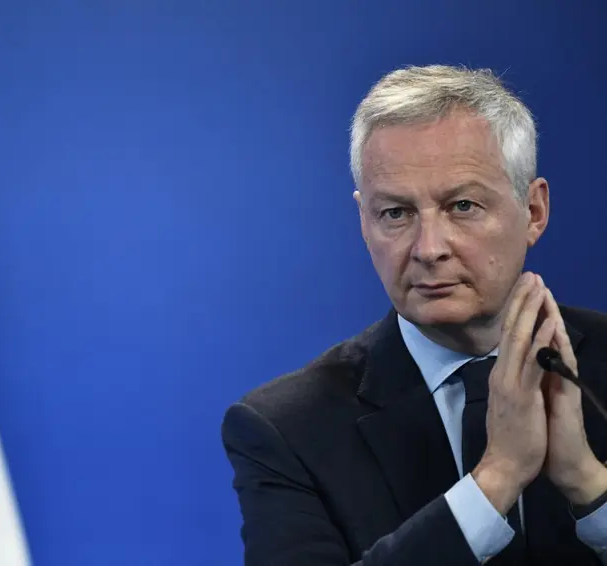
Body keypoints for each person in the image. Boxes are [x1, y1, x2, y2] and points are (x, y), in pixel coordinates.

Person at [221, 64, 607, 565]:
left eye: (462, 206)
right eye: (395, 213)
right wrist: (497, 477)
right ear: (364, 222)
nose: (428, 249)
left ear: (533, 211)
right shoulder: (285, 430)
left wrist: (587, 481)